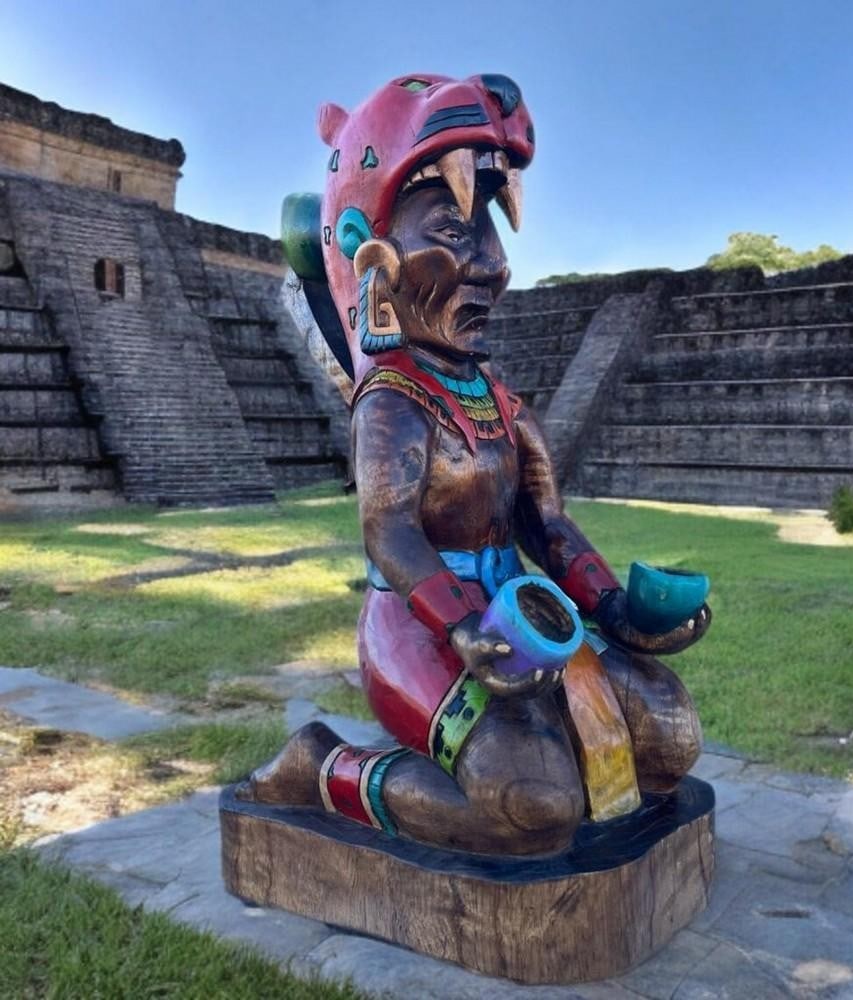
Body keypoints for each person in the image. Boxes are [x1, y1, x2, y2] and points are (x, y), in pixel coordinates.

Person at [243, 73, 710, 855]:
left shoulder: (494, 395)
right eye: (456, 235)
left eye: (489, 234)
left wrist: (618, 613)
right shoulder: (392, 399)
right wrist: (462, 627)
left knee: (668, 738)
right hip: (420, 629)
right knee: (530, 806)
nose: (493, 266)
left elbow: (546, 522)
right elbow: (390, 535)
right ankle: (323, 767)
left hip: (524, 616)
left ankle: (535, 738)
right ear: (375, 257)